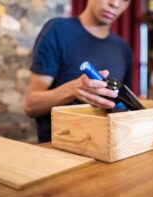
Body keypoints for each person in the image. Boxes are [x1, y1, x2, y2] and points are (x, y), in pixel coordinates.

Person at [24, 0, 133, 143]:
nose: (115, 3)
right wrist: (72, 90)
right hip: (60, 148)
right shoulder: (57, 30)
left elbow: (124, 103)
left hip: (108, 145)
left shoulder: (123, 48)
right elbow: (31, 105)